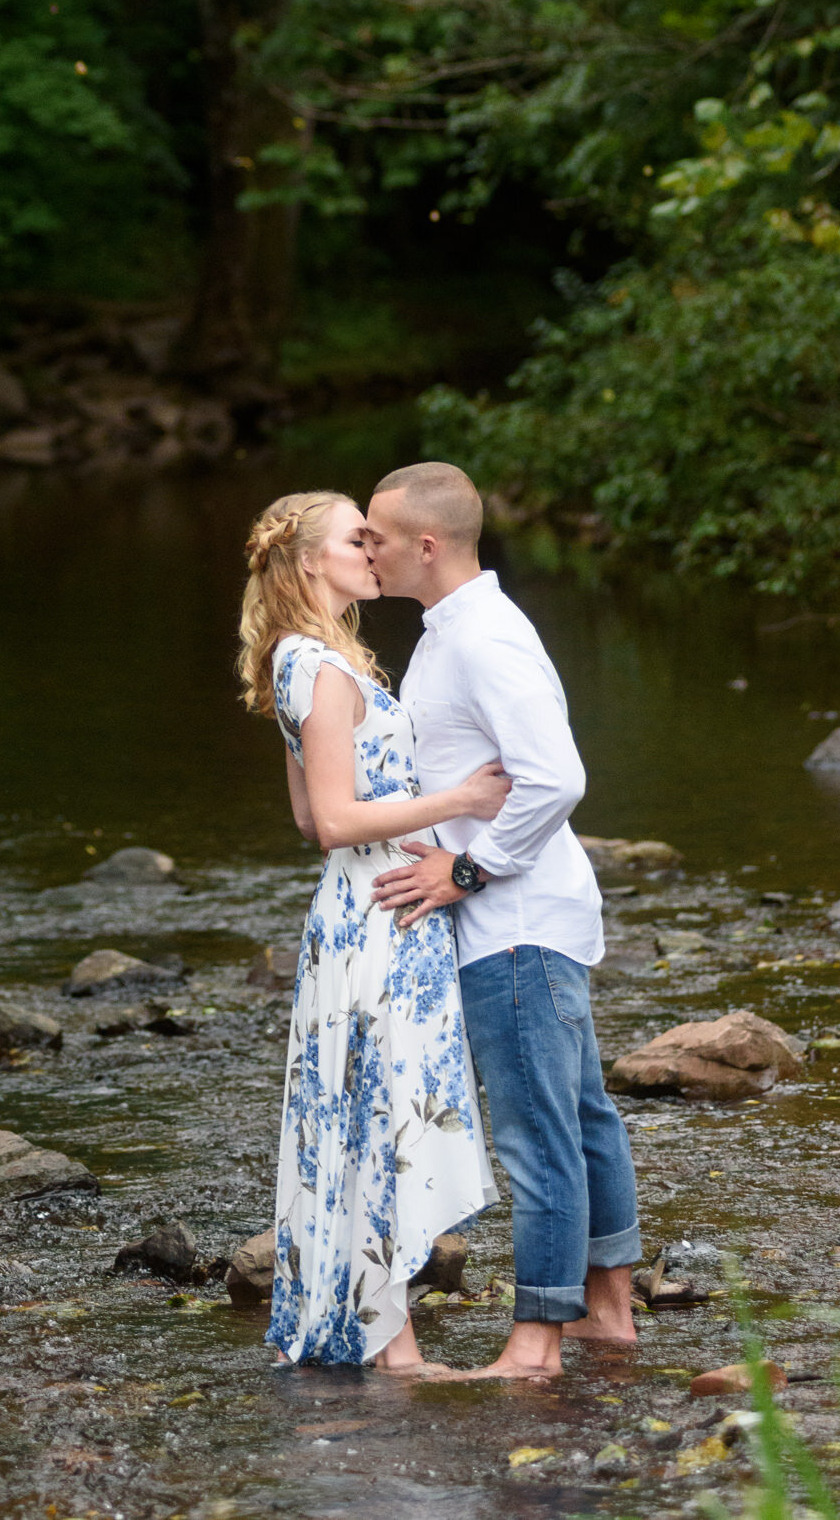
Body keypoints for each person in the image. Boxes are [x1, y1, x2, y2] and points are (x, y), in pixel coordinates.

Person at [363, 461, 641, 1380]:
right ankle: (607, 1312)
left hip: (513, 921)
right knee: (583, 1114)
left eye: (379, 535)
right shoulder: (452, 632)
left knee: (536, 1133)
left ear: (427, 545)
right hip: (529, 915)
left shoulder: (482, 638)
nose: (367, 547)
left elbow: (555, 776)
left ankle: (536, 1344)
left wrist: (470, 868)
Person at [238, 489, 509, 1373]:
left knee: (363, 1116)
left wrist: (407, 823)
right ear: (311, 561)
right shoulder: (318, 666)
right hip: (379, 917)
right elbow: (331, 816)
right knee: (382, 1115)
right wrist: (459, 801)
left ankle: (383, 1335)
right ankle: (391, 1346)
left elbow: (307, 821)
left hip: (358, 909)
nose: (371, 548)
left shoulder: (299, 659)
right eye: (355, 538)